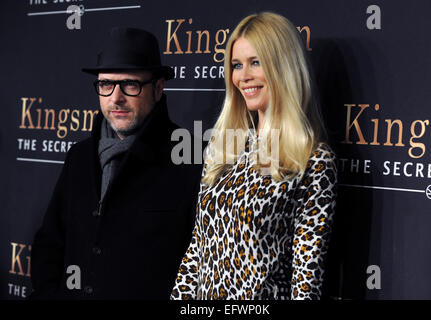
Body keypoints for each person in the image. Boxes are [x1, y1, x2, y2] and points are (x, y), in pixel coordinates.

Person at [171, 12, 337, 300]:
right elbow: (198, 247)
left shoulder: (312, 161)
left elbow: (306, 277)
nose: (243, 76)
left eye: (255, 62)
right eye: (236, 65)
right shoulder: (223, 148)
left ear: (283, 67)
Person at [30, 27, 202, 299]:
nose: (115, 97)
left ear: (158, 88)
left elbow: (201, 267)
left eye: (130, 84)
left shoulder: (193, 157)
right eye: (106, 84)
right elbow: (49, 245)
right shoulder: (79, 157)